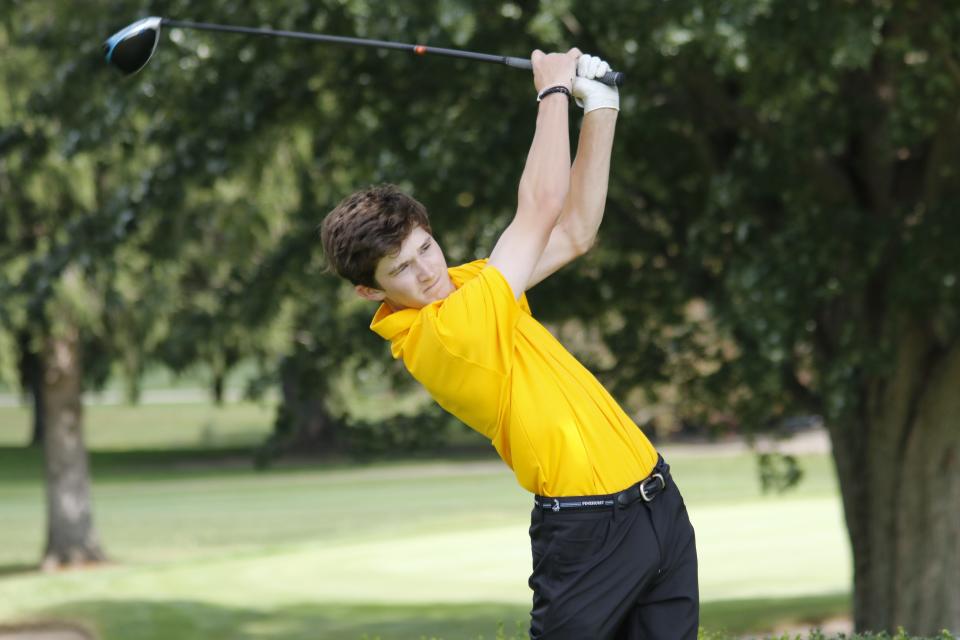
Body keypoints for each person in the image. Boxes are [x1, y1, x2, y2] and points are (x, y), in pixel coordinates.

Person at [320, 48, 699, 639]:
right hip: (587, 530)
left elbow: (573, 233)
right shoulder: (445, 333)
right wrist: (551, 94)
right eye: (401, 269)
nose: (426, 272)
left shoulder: (468, 285)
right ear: (372, 292)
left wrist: (600, 108)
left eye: (426, 247)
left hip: (658, 504)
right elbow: (542, 206)